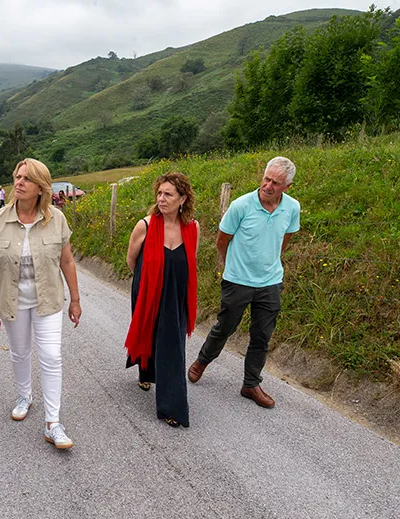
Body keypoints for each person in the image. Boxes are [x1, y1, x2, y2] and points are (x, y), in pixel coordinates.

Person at [0, 158, 81, 449]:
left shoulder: (56, 219)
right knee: (20, 352)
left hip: (47, 301)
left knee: (51, 356)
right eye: (17, 177)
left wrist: (75, 299)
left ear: (41, 188)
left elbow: (67, 260)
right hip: (11, 302)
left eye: (27, 179)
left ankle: (53, 423)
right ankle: (24, 395)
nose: (19, 182)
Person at [187, 157, 300, 409]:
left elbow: (286, 238)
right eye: (266, 179)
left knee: (262, 336)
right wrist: (233, 266)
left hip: (270, 283)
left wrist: (270, 262)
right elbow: (221, 240)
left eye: (275, 182)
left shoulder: (292, 208)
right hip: (237, 280)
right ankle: (202, 361)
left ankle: (251, 384)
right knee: (224, 327)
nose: (268, 185)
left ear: (287, 187)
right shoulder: (241, 206)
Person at [125, 172, 200, 428]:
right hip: (147, 291)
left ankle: (171, 406)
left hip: (177, 295)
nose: (161, 199)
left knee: (171, 345)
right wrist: (147, 284)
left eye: (168, 194)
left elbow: (191, 261)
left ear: (183, 199)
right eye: (159, 193)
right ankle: (145, 371)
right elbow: (131, 260)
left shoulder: (193, 228)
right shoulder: (144, 225)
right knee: (148, 331)